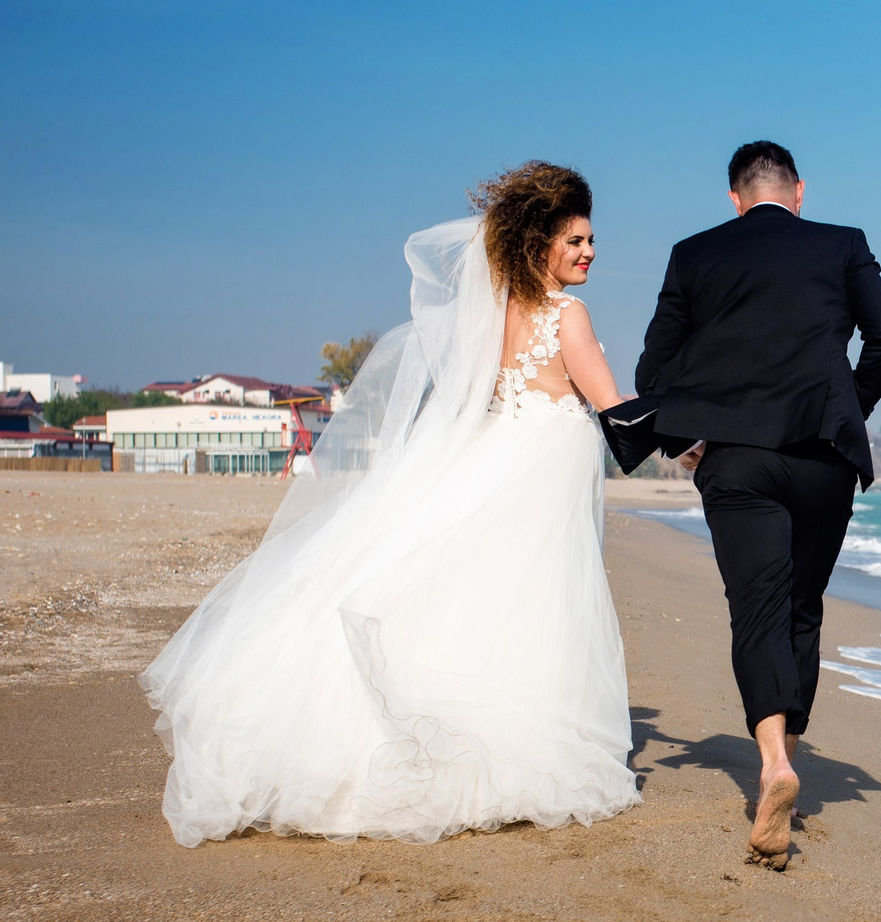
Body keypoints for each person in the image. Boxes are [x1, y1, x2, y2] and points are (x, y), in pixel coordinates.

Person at [142, 162, 639, 846]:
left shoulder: (496, 314)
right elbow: (615, 403)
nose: (589, 251)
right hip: (538, 478)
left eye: (591, 240)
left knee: (485, 602)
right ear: (538, 245)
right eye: (576, 239)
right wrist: (694, 438)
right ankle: (514, 749)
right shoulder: (567, 314)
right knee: (533, 605)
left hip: (497, 463)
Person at [631, 141, 881, 868]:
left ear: (734, 198)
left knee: (756, 605)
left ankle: (772, 762)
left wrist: (695, 432)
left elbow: (653, 369)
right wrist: (846, 406)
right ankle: (790, 750)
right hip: (824, 458)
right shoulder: (842, 244)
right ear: (799, 192)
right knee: (802, 606)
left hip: (739, 459)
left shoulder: (694, 254)